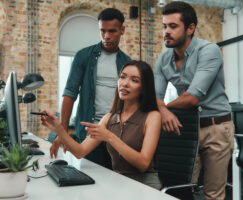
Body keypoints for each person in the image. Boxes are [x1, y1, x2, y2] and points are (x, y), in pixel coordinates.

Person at [154, 2, 234, 199]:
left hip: (216, 126)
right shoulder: (164, 60)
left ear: (190, 28)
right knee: (181, 188)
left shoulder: (209, 51)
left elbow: (191, 98)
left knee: (213, 193)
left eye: (173, 27)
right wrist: (162, 110)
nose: (166, 32)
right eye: (164, 26)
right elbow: (153, 97)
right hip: (187, 127)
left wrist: (164, 108)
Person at [42, 60, 162, 190]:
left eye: (134, 80)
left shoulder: (152, 116)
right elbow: (80, 151)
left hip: (145, 186)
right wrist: (58, 128)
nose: (125, 83)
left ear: (144, 88)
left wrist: (110, 137)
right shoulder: (109, 118)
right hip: (119, 184)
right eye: (122, 77)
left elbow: (143, 164)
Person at [50, 8, 131, 168]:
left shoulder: (127, 62)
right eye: (102, 31)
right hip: (89, 132)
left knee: (117, 182)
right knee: (91, 179)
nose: (106, 36)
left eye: (112, 31)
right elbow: (69, 94)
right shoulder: (84, 56)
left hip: (117, 134)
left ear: (122, 30)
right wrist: (63, 132)